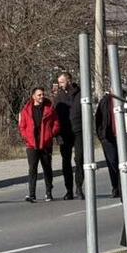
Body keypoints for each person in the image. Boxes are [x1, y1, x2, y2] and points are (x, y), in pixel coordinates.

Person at [94, 90, 127, 199]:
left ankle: (125, 187)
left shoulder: (125, 99)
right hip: (109, 137)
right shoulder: (105, 101)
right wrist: (101, 136)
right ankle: (116, 187)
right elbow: (98, 118)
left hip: (124, 136)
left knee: (124, 162)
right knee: (112, 162)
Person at [18, 87, 59, 203]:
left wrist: (50, 134)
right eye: (39, 95)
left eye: (42, 94)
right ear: (33, 96)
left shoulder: (49, 108)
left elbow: (56, 123)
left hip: (45, 143)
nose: (41, 97)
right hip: (32, 144)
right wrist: (26, 137)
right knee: (32, 169)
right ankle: (32, 194)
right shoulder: (26, 110)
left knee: (47, 168)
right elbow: (22, 126)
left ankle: (49, 193)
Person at [53, 72, 83, 200]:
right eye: (59, 82)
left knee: (80, 159)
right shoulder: (58, 97)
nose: (60, 85)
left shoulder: (80, 93)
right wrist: (57, 134)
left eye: (62, 82)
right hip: (64, 132)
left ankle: (79, 187)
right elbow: (54, 116)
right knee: (66, 161)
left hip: (78, 131)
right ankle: (69, 190)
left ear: (69, 81)